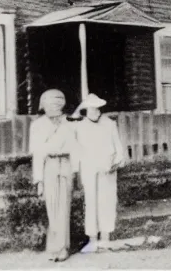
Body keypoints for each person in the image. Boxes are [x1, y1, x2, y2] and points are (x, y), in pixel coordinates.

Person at [29, 89, 79, 262]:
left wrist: (75, 171)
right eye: (50, 104)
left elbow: (75, 149)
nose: (54, 107)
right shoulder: (38, 126)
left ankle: (63, 248)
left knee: (64, 207)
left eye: (58, 103)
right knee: (51, 207)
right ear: (43, 105)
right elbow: (37, 154)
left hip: (65, 164)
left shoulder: (70, 123)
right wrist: (39, 181)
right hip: (48, 166)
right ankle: (53, 247)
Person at [72, 93, 125, 253]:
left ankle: (105, 239)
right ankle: (93, 240)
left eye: (97, 108)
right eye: (91, 108)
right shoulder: (79, 126)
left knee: (107, 202)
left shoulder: (109, 124)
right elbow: (76, 151)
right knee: (91, 203)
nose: (95, 111)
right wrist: (76, 171)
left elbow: (119, 148)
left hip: (107, 169)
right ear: (86, 110)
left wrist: (116, 163)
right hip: (89, 169)